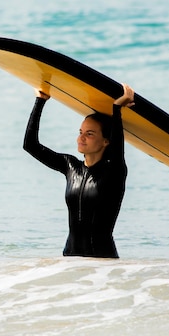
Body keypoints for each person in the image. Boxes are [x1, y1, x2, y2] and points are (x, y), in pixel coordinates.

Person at [23, 84, 135, 258]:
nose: (81, 138)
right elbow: (30, 145)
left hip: (102, 261)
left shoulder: (114, 171)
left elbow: (117, 149)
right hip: (70, 259)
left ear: (106, 141)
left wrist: (117, 109)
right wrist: (40, 101)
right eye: (80, 131)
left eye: (89, 134)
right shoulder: (70, 167)